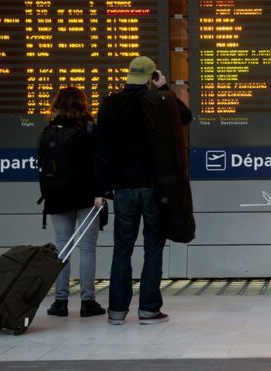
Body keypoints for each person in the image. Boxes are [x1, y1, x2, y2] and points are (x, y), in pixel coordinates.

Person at [94, 56, 191, 325]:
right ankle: (148, 310)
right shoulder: (156, 102)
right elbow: (185, 116)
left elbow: (101, 151)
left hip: (122, 189)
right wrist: (163, 89)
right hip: (152, 188)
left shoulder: (110, 104)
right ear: (150, 77)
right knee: (153, 247)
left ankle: (116, 312)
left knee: (121, 249)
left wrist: (100, 189)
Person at [41, 87, 106, 318]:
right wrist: (100, 192)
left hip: (57, 197)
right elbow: (99, 161)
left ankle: (60, 302)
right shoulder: (89, 129)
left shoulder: (49, 130)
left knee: (63, 248)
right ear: (83, 104)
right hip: (87, 196)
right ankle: (88, 302)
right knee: (87, 249)